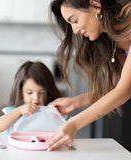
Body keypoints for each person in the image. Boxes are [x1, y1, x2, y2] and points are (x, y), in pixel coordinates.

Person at [47, 0, 131, 151]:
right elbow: (113, 89)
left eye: (75, 20)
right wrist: (75, 102)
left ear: (96, 5)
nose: (75, 30)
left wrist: (74, 124)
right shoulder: (114, 41)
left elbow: (124, 91)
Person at [0, 61, 61, 133]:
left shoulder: (52, 110)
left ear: (49, 91)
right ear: (20, 92)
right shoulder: (15, 110)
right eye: (29, 93)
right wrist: (18, 111)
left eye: (42, 93)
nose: (36, 98)